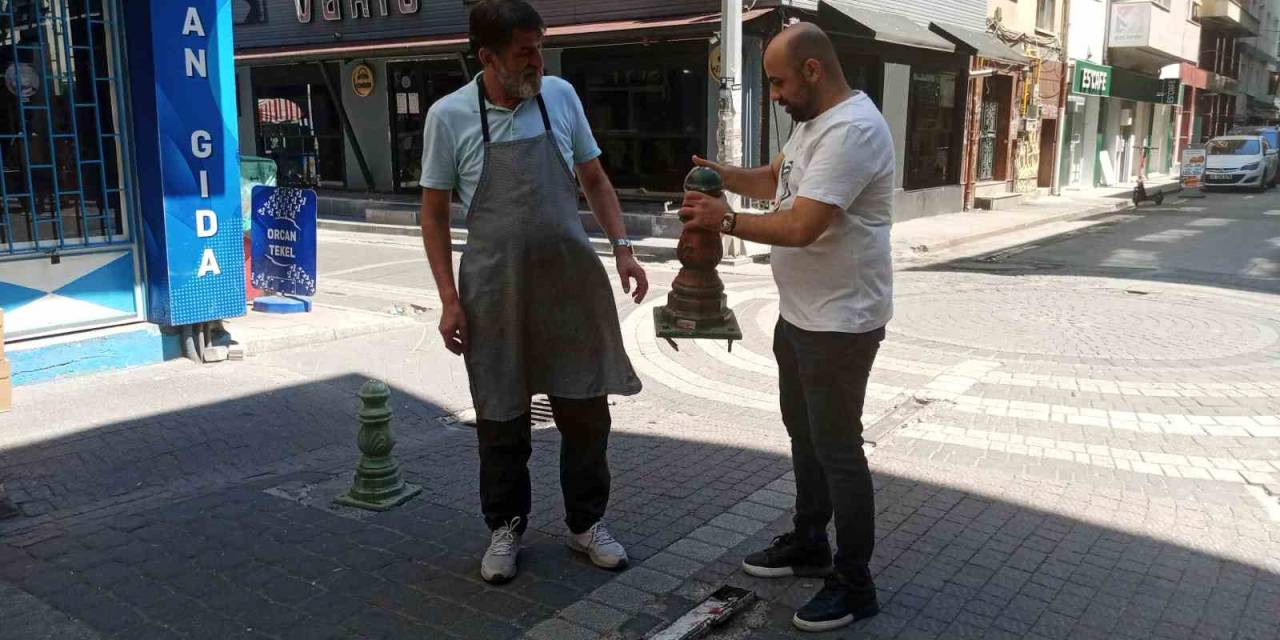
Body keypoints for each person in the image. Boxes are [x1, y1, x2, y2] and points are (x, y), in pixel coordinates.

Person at [418, 0, 648, 585]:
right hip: (495, 292)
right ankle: (506, 528)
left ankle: (586, 524)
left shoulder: (561, 97)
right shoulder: (449, 117)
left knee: (586, 411)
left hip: (570, 286)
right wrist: (448, 297)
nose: (537, 61)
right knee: (501, 417)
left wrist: (623, 247)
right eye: (524, 52)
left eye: (540, 47)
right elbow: (435, 214)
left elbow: (593, 179)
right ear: (487, 56)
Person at [679, 22, 894, 633]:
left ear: (812, 71)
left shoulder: (853, 130)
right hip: (800, 315)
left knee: (839, 451)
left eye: (776, 81)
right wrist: (721, 175)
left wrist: (727, 222)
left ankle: (855, 585)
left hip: (840, 324)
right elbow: (778, 181)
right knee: (804, 437)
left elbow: (803, 225)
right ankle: (809, 542)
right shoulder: (812, 124)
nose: (772, 93)